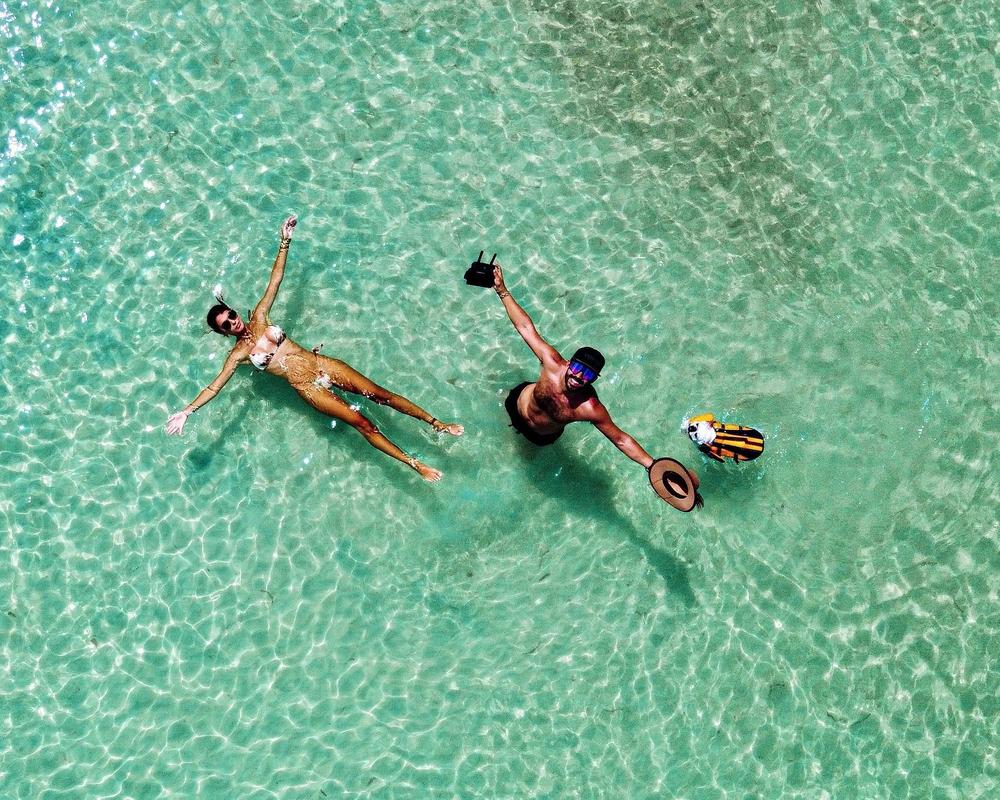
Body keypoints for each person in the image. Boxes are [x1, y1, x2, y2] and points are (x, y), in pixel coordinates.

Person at [165, 216, 462, 481]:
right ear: (223, 333)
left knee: (381, 395)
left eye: (231, 315)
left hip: (321, 364)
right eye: (226, 325)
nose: (233, 322)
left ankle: (437, 423)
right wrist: (187, 411)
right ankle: (415, 464)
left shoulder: (260, 317)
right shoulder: (238, 356)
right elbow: (214, 387)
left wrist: (284, 241)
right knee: (363, 423)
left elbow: (275, 280)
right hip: (307, 388)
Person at [492, 261, 700, 500]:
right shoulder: (551, 363)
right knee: (499, 425)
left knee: (524, 462)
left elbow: (620, 439)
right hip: (516, 403)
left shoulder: (589, 407)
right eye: (577, 368)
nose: (579, 377)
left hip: (540, 436)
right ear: (569, 363)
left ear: (594, 379)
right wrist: (502, 291)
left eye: (588, 375)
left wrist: (651, 465)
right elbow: (525, 327)